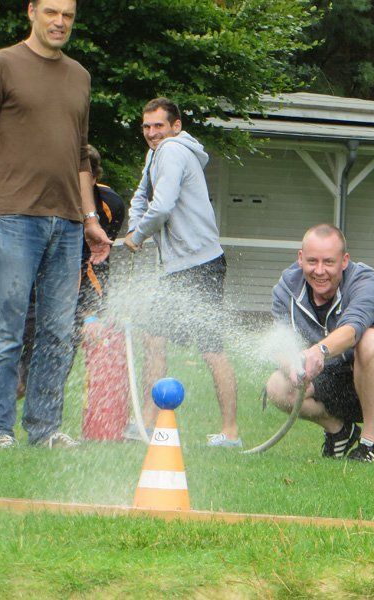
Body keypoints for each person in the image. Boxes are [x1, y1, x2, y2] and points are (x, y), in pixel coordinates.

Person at [0, 0, 112, 449]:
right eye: (51, 12)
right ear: (31, 11)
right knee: (5, 326)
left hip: (66, 224)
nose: (60, 21)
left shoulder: (80, 76)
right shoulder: (1, 65)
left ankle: (44, 430)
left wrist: (89, 218)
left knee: (58, 332)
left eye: (67, 14)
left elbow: (80, 154)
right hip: (14, 217)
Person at [0, 146, 125, 438]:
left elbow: (96, 264)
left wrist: (91, 310)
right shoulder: (45, 197)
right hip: (23, 296)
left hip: (65, 304)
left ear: (93, 179)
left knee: (27, 381)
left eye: (83, 177)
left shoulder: (110, 206)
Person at [124, 97, 240, 447]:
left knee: (211, 348)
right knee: (153, 339)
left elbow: (163, 205)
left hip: (200, 263)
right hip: (174, 267)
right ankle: (146, 422)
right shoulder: (153, 156)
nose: (151, 133)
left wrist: (139, 234)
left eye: (158, 125)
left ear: (175, 126)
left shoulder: (173, 150)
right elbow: (141, 199)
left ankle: (230, 432)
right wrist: (134, 229)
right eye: (146, 127)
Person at [264, 224, 374, 463]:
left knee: (372, 339)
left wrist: (319, 351)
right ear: (300, 258)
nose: (319, 271)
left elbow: (352, 330)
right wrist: (291, 367)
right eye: (312, 261)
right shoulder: (285, 289)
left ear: (344, 261)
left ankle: (369, 445)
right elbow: (280, 343)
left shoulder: (365, 281)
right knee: (276, 386)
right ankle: (340, 430)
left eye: (328, 262)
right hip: (332, 376)